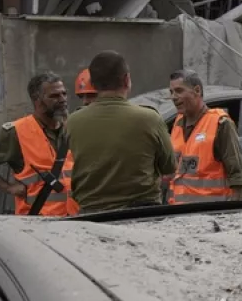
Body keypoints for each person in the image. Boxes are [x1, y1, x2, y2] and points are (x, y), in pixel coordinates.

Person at [65, 50, 176, 212]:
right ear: (126, 80)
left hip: (91, 214)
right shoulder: (150, 118)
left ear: (93, 84)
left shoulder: (73, 122)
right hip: (141, 214)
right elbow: (169, 167)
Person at [0, 72, 77, 217]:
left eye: (64, 94)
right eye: (54, 96)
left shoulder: (72, 128)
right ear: (37, 100)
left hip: (75, 219)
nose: (62, 100)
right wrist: (8, 187)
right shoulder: (16, 131)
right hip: (37, 222)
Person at [166, 69, 242, 203]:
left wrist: (232, 211)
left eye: (179, 91)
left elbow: (237, 176)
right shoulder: (177, 124)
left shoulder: (220, 124)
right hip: (180, 213)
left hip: (210, 212)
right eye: (171, 92)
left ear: (197, 91)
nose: (174, 97)